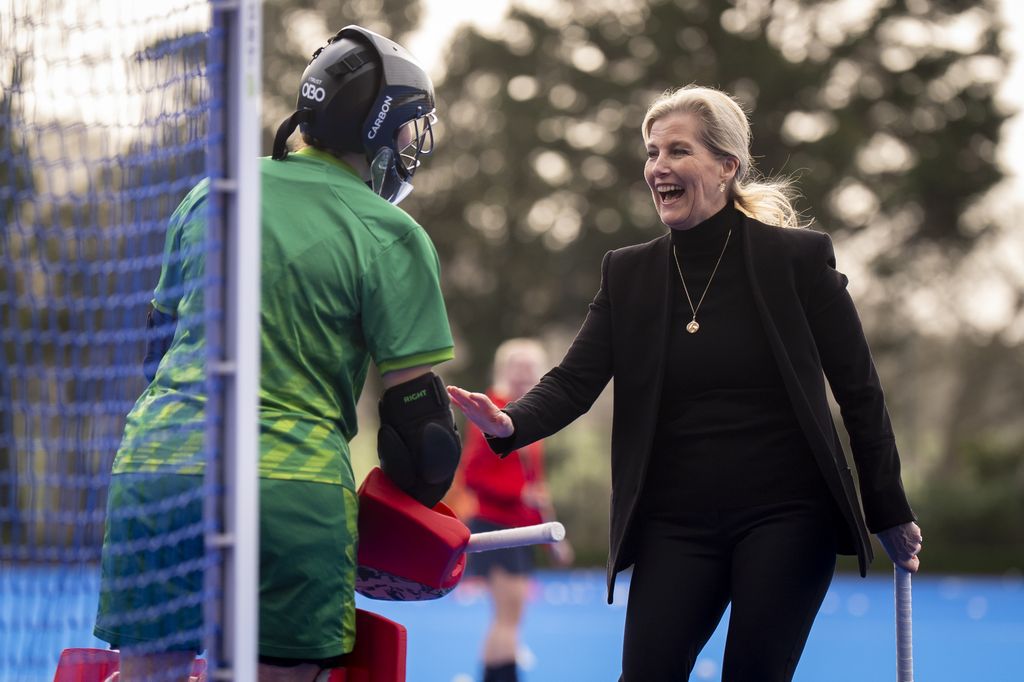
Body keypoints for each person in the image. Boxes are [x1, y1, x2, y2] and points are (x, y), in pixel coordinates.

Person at [447, 84, 923, 681]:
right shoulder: (629, 273)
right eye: (651, 153)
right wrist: (511, 422)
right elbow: (575, 379)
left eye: (678, 151)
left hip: (787, 514)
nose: (658, 168)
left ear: (727, 167)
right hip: (677, 521)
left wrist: (888, 507)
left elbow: (860, 392)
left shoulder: (797, 261)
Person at [94, 25, 461, 682]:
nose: (411, 143)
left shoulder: (211, 195)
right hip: (289, 488)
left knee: (150, 673)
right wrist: (401, 520)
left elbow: (156, 354)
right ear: (377, 127)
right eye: (408, 127)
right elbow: (422, 435)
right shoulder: (391, 232)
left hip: (158, 468)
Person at [453, 339, 573, 682]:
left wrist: (552, 536)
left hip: (516, 527)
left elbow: (535, 488)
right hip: (497, 526)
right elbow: (472, 474)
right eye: (516, 366)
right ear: (504, 370)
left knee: (509, 618)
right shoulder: (491, 412)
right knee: (507, 617)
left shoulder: (530, 416)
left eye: (529, 366)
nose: (523, 373)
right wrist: (520, 493)